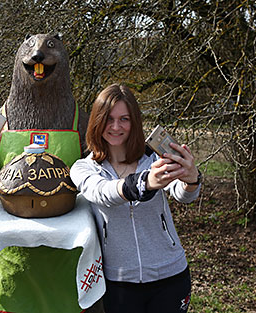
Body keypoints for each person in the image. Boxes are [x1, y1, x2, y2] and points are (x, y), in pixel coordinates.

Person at [70, 84, 202, 313]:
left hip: (170, 275)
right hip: (119, 281)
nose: (116, 127)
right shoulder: (83, 168)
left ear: (135, 122)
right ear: (97, 121)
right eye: (108, 119)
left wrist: (191, 179)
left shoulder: (153, 159)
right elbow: (102, 193)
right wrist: (144, 183)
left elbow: (182, 195)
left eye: (124, 119)